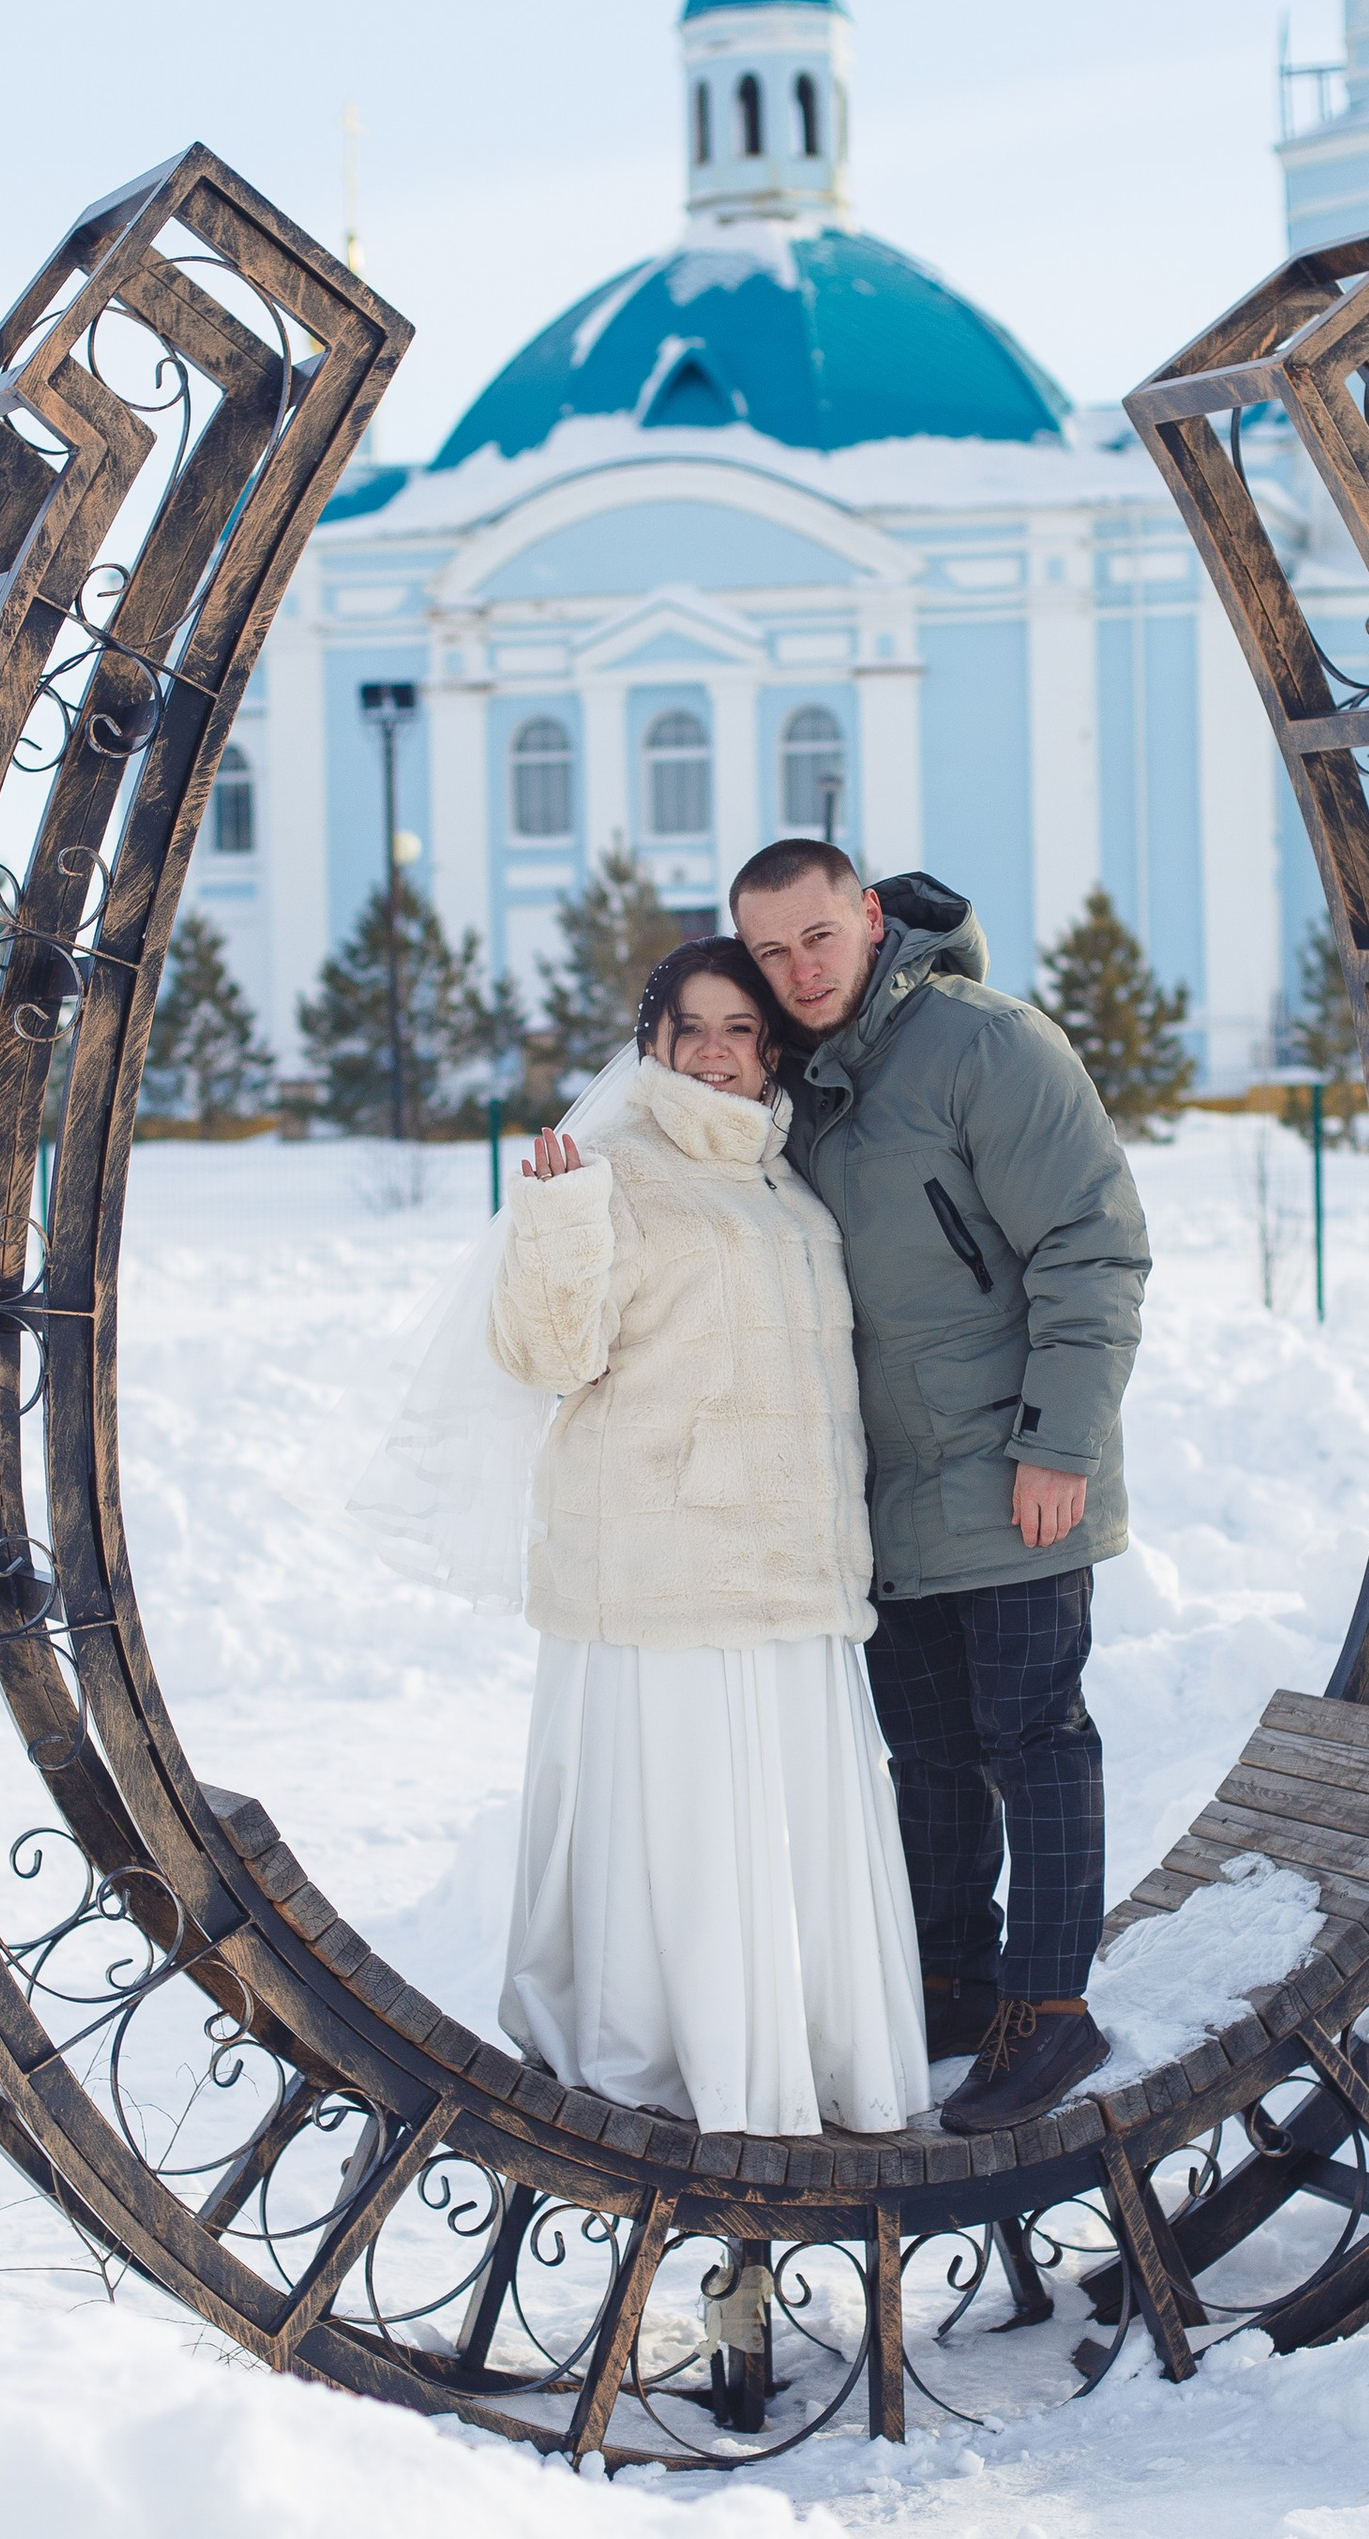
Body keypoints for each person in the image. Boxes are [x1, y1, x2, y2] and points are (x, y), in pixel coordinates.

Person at [423, 936, 929, 2137]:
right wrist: (552, 1217)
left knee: (787, 1832)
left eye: (739, 1029)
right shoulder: (614, 1164)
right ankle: (670, 2058)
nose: (713, 1050)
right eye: (687, 1027)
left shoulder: (780, 1176)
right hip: (669, 1573)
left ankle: (803, 2053)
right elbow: (550, 1356)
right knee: (694, 1830)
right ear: (648, 1044)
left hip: (791, 1570)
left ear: (770, 1051)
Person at [730, 843, 1152, 2135]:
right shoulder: (797, 1074)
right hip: (884, 1493)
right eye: (770, 953)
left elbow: (1094, 1244)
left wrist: (1058, 1445)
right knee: (929, 1757)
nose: (799, 971)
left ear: (867, 919)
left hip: (1014, 1469)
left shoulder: (984, 1046)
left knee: (1035, 1740)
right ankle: (954, 1979)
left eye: (818, 937)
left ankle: (1049, 2011)